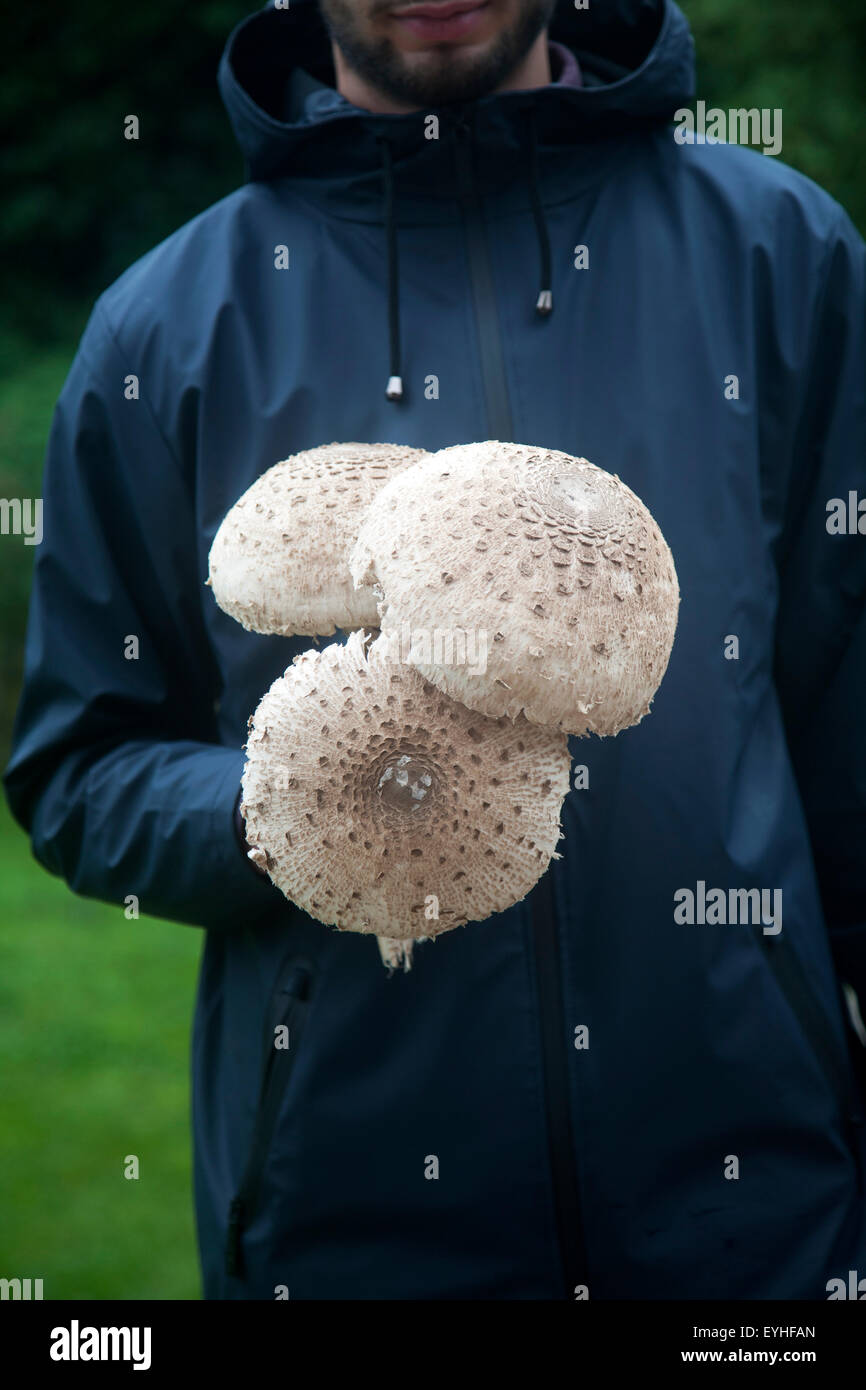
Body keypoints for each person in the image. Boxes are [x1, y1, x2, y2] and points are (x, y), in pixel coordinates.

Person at [5, 0, 865, 1301]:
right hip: (351, 1228)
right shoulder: (168, 328)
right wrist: (288, 808)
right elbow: (77, 766)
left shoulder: (779, 254)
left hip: (755, 1223)